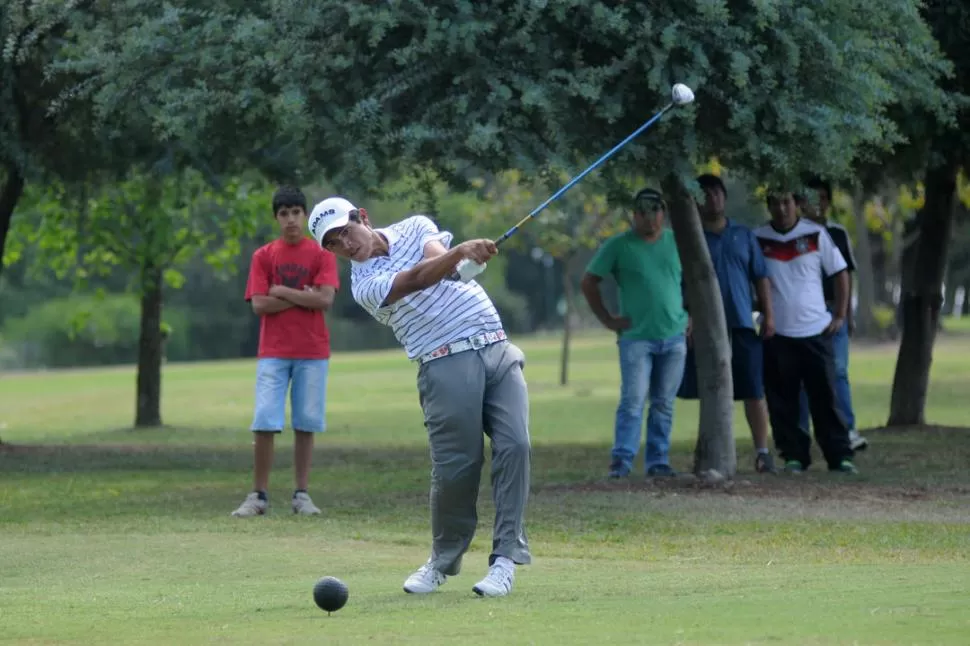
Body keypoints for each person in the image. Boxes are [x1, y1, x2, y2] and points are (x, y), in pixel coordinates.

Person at [307, 196, 531, 598]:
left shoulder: (414, 226)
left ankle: (504, 561)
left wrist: (463, 257)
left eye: (346, 231)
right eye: (334, 243)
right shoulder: (364, 286)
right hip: (444, 363)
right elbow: (416, 279)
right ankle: (442, 561)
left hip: (497, 347)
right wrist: (461, 252)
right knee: (456, 469)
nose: (346, 244)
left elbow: (438, 258)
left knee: (517, 446)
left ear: (363, 218)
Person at [231, 186, 340, 517]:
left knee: (306, 423)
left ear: (305, 216)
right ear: (276, 218)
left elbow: (325, 299)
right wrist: (300, 294)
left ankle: (301, 494)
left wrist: (282, 290)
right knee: (265, 420)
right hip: (273, 351)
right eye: (284, 213)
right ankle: (259, 495)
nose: (291, 219)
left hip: (312, 351)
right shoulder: (264, 256)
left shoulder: (322, 254)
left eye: (296, 212)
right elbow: (260, 304)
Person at [581, 188, 689, 479]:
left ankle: (658, 462)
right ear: (634, 214)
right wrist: (606, 318)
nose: (649, 217)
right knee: (633, 401)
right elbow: (589, 281)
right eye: (642, 211)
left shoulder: (678, 241)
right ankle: (622, 461)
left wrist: (691, 315)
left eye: (655, 210)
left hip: (674, 335)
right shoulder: (619, 245)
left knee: (664, 404)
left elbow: (696, 278)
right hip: (636, 338)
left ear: (663, 213)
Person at [676, 175, 778, 474]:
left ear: (725, 197)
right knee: (711, 388)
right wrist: (690, 319)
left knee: (753, 389)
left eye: (717, 193)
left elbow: (760, 276)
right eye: (705, 194)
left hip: (742, 323)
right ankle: (713, 450)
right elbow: (683, 285)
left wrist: (768, 315)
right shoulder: (689, 238)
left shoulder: (744, 235)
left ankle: (762, 452)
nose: (713, 199)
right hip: (705, 327)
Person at [753, 191, 857, 474]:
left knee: (826, 399)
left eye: (787, 202)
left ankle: (840, 457)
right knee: (783, 402)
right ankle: (794, 456)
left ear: (797, 205)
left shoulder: (816, 234)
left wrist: (839, 315)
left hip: (815, 330)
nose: (781, 208)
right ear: (769, 207)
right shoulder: (758, 237)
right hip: (777, 333)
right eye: (775, 202)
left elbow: (841, 272)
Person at [795, 180, 868, 451]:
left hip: (831, 310)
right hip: (802, 313)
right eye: (812, 197)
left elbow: (845, 275)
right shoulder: (795, 234)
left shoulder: (837, 233)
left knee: (837, 371)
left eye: (823, 197)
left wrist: (845, 314)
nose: (818, 203)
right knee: (801, 377)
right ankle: (800, 434)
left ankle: (847, 429)